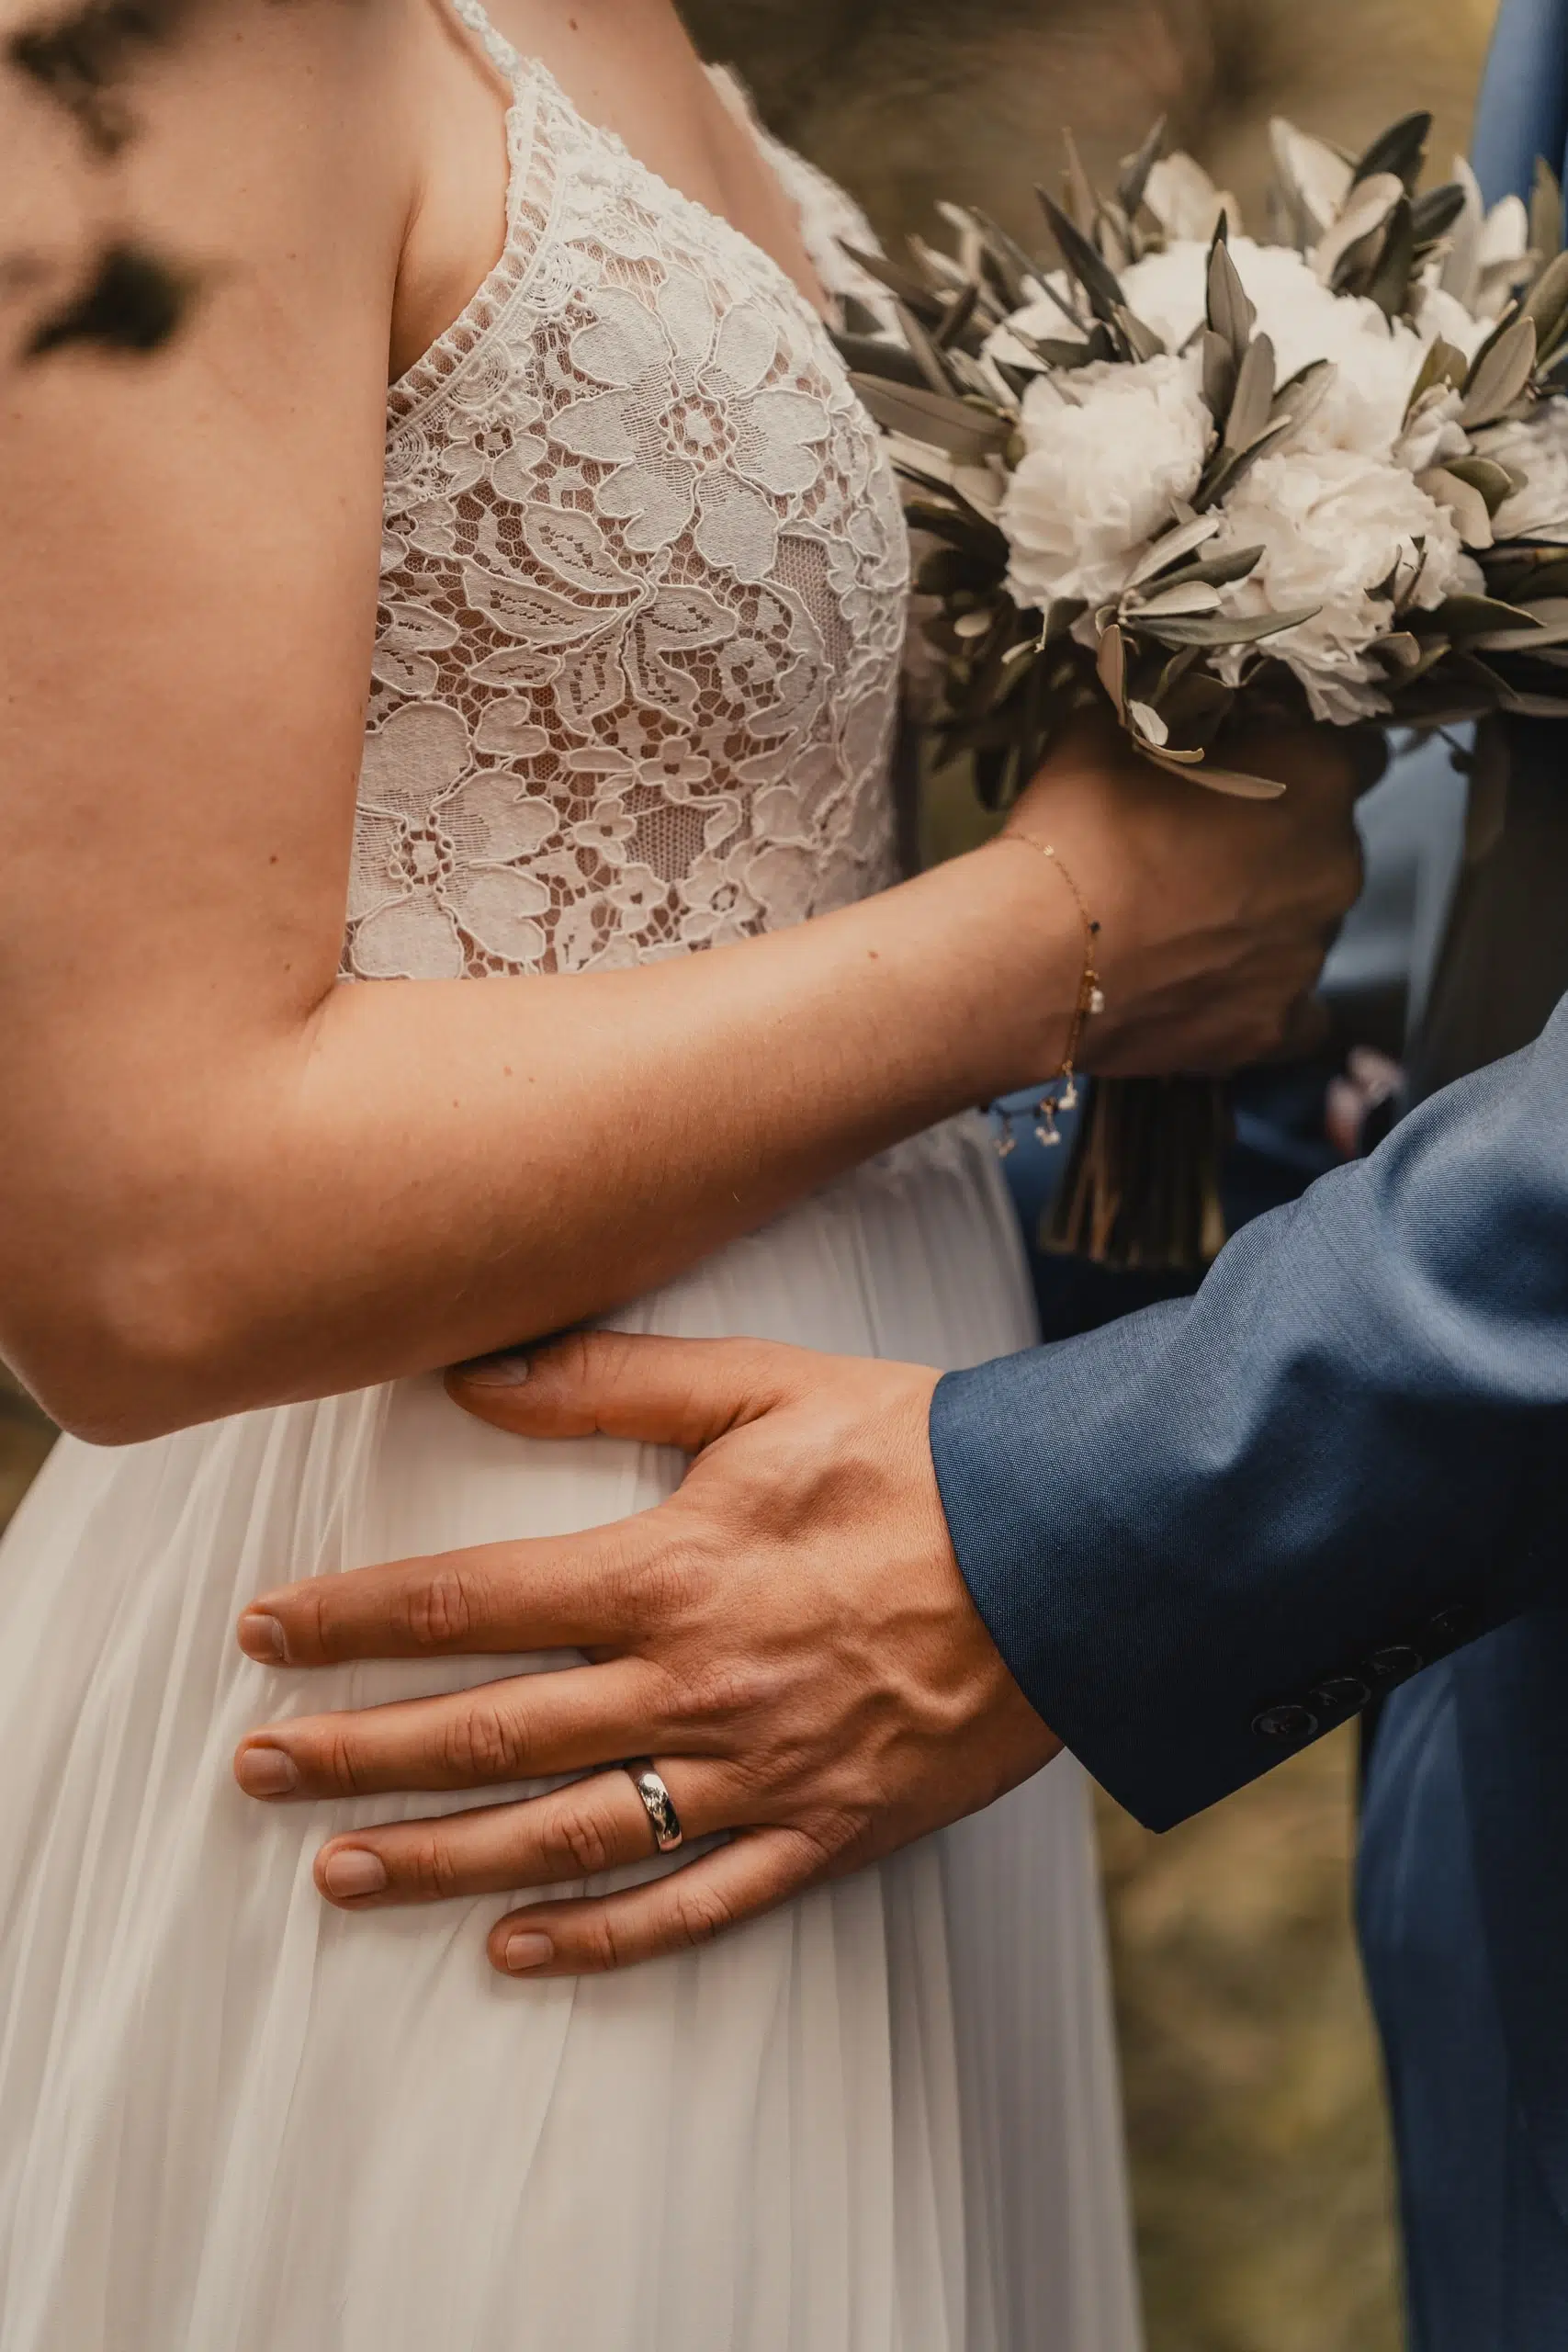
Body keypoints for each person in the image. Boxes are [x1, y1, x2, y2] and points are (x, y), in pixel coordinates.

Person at [0, 0, 1362, 2342]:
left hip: (858, 1595)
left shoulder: (661, 53)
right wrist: (1071, 936)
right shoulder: (191, 39)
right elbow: (141, 1240)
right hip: (484, 1645)